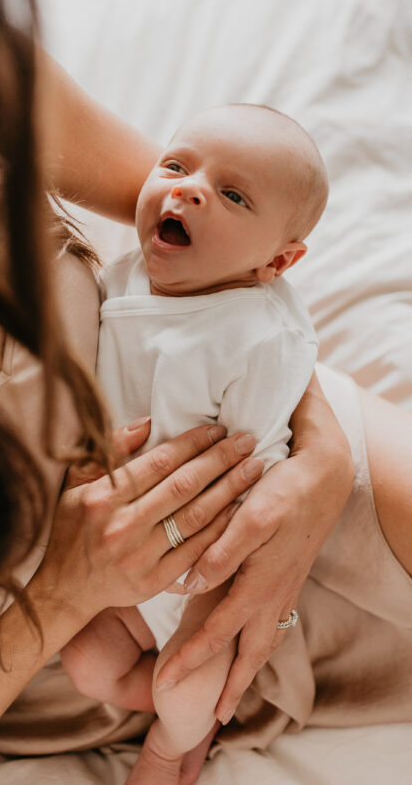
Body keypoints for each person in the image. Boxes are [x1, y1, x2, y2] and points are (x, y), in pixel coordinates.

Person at [0, 0, 412, 785]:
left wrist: (316, 452)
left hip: (239, 436)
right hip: (47, 639)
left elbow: (209, 231)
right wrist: (67, 590)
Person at [59, 101, 329, 774]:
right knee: (89, 666)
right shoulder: (119, 275)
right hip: (123, 548)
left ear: (278, 261)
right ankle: (170, 712)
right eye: (174, 165)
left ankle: (174, 741)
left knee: (185, 683)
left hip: (209, 554)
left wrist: (210, 604)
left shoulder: (257, 334)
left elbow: (257, 469)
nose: (186, 187)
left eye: (232, 195)